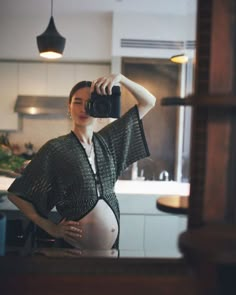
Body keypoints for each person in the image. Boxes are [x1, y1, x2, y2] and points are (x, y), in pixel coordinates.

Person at [7, 73, 156, 251]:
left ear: (100, 107)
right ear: (68, 108)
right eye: (77, 102)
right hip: (73, 253)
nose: (83, 108)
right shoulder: (56, 148)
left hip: (110, 253)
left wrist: (121, 78)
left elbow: (149, 101)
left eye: (89, 102)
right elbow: (16, 195)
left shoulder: (109, 141)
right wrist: (50, 227)